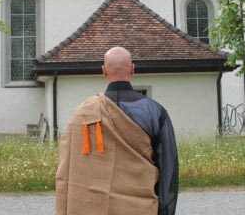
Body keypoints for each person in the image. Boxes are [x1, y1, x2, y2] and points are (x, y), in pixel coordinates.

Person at [55, 46, 178, 215]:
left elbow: (69, 171)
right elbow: (168, 167)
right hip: (141, 209)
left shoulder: (83, 114)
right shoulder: (154, 111)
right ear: (132, 69)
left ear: (104, 71)